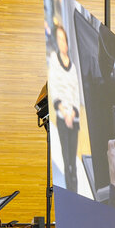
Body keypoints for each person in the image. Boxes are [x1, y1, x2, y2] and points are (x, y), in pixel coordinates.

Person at [48, 24, 81, 192]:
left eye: (64, 39)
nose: (63, 42)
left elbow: (76, 93)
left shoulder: (73, 66)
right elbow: (54, 89)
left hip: (73, 119)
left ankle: (75, 192)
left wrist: (73, 112)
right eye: (59, 39)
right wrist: (63, 111)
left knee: (73, 162)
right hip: (62, 118)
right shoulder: (54, 60)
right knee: (66, 158)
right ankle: (69, 193)